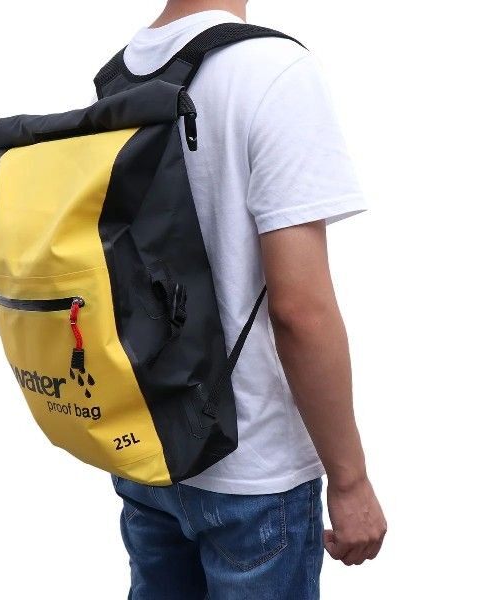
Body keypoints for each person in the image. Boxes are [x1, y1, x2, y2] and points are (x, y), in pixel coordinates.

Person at [103, 1, 387, 598]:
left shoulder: (121, 73)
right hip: (255, 475)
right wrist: (351, 481)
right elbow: (299, 309)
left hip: (148, 446)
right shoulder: (273, 70)